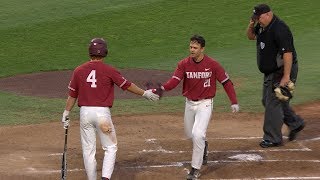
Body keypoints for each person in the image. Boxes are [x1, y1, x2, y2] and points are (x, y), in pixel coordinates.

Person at [61, 38, 159, 180]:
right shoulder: (109, 70)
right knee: (110, 148)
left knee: (88, 151)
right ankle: (105, 178)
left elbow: (72, 95)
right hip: (102, 115)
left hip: (85, 114)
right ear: (105, 52)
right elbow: (127, 85)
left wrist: (66, 112)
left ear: (90, 52)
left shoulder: (79, 70)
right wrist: (145, 93)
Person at [160, 35, 240, 179]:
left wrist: (234, 101)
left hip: (205, 104)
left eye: (195, 48)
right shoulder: (183, 64)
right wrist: (160, 89)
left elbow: (227, 82)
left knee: (198, 134)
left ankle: (195, 169)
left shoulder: (213, 65)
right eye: (190, 47)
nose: (192, 50)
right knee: (190, 135)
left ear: (202, 49)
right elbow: (173, 82)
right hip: (189, 104)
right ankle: (203, 146)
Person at [246, 4, 305, 148]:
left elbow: (288, 54)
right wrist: (252, 23)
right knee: (268, 101)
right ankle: (295, 123)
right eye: (256, 18)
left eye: (259, 18)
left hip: (282, 70)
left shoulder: (280, 29)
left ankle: (273, 138)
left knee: (273, 103)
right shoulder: (262, 26)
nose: (258, 21)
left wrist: (286, 76)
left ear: (268, 14)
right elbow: (251, 36)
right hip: (270, 72)